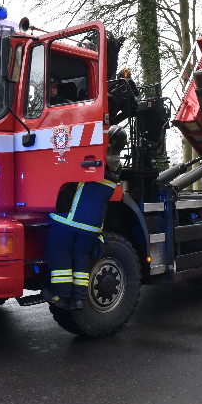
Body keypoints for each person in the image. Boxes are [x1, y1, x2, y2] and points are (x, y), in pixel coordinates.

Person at [41, 127, 126, 309]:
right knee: (81, 256)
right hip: (93, 225)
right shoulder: (117, 168)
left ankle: (60, 296)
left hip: (70, 219)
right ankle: (79, 298)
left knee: (60, 253)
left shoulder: (91, 158)